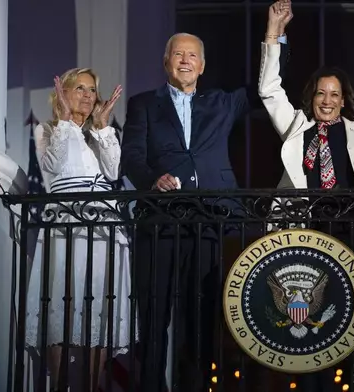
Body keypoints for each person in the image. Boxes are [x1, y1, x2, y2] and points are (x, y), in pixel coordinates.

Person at [120, 2, 292, 390]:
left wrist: (274, 34)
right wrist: (152, 180)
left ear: (202, 65)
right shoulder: (144, 104)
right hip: (160, 223)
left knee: (199, 320)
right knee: (154, 317)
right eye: (178, 54)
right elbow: (131, 154)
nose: (185, 60)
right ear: (166, 63)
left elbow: (267, 86)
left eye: (192, 55)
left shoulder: (221, 103)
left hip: (208, 222)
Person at [259, 10, 354, 391]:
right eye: (321, 93)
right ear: (312, 96)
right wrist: (273, 35)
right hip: (308, 235)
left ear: (344, 99)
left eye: (334, 94)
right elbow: (270, 91)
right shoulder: (298, 126)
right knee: (314, 331)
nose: (327, 100)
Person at [24, 68, 135, 392]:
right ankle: (59, 385)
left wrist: (102, 129)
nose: (88, 95)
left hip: (103, 230)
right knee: (63, 300)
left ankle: (92, 385)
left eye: (92, 90)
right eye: (80, 88)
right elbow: (53, 167)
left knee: (99, 305)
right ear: (63, 93)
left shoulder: (99, 133)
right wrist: (67, 123)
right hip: (66, 227)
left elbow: (114, 170)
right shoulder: (48, 130)